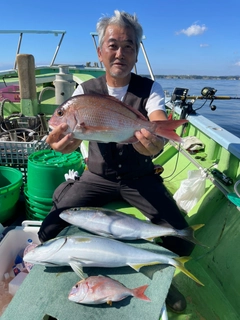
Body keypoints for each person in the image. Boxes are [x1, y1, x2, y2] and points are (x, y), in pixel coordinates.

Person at [38, 10, 194, 312]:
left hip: (140, 176)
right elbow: (70, 137)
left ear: (136, 53)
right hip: (97, 175)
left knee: (181, 238)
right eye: (113, 45)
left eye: (128, 46)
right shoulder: (84, 92)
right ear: (100, 52)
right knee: (50, 227)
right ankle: (78, 277)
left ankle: (160, 279)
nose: (120, 52)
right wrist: (64, 146)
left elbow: (157, 121)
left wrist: (156, 142)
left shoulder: (150, 89)